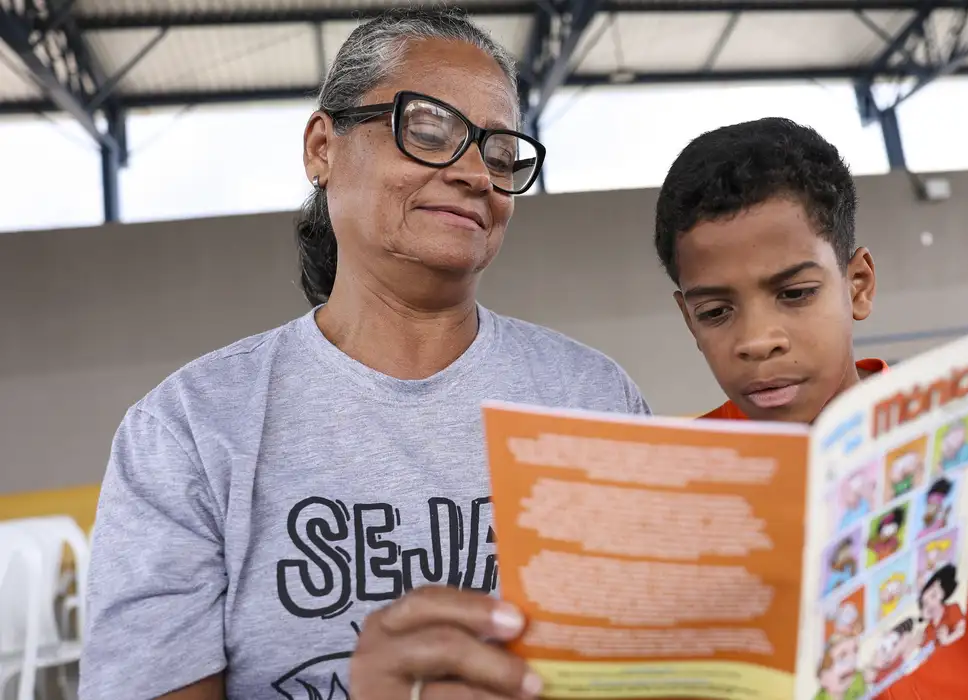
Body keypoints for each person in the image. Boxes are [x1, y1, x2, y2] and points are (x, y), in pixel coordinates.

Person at [80, 10, 648, 700]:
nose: (475, 174)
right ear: (323, 147)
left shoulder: (593, 400)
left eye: (501, 155)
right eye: (429, 131)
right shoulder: (189, 430)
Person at [654, 117, 968, 697]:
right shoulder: (677, 488)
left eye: (794, 293)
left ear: (858, 285)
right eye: (716, 312)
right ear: (688, 320)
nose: (758, 339)